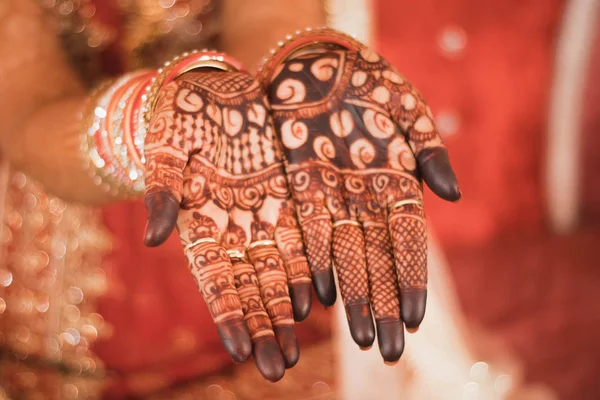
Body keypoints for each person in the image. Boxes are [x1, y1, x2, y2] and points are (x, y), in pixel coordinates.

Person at [0, 1, 461, 398]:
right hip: (58, 273)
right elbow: (27, 114)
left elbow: (270, 18)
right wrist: (156, 125)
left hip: (251, 225)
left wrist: (286, 81)